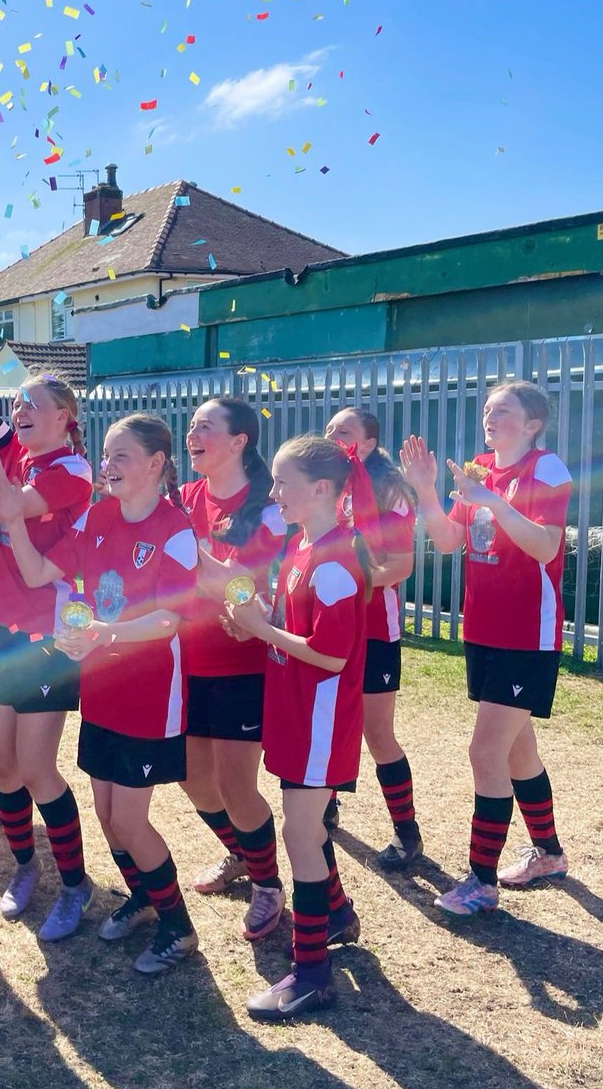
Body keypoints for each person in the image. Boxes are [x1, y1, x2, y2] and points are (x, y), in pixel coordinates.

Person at [0, 414, 202, 973]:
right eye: (107, 453)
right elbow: (39, 575)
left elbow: (168, 621)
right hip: (102, 683)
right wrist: (11, 521)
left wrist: (106, 632)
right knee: (107, 814)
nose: (109, 465)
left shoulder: (175, 527)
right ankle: (145, 897)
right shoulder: (97, 515)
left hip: (150, 691)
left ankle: (179, 928)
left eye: (122, 455)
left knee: (130, 820)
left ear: (156, 464)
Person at [0, 288, 94, 942]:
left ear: (66, 416)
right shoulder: (19, 451)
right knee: (5, 769)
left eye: (33, 404)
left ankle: (74, 883)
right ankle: (24, 867)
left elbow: (7, 508)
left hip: (46, 638)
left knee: (37, 770)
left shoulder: (71, 470)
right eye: (19, 403)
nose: (19, 410)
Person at [399, 381, 571, 915]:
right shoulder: (476, 468)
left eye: (505, 410)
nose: (491, 416)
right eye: (488, 409)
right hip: (484, 630)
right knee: (518, 750)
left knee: (485, 752)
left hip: (527, 633)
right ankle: (548, 853)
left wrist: (493, 500)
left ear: (533, 424)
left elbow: (545, 545)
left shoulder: (546, 469)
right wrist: (427, 490)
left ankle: (482, 881)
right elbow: (450, 541)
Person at [225, 435, 368, 1021]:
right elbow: (297, 632)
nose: (275, 491)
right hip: (297, 711)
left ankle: (311, 974)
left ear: (323, 490)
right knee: (304, 830)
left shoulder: (335, 560)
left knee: (300, 836)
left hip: (321, 718)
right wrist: (258, 623)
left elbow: (331, 658)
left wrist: (263, 631)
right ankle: (335, 915)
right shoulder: (305, 545)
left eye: (284, 483)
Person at [177, 398, 289, 942]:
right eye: (192, 425)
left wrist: (202, 564)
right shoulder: (183, 499)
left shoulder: (267, 507)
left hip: (242, 664)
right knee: (193, 779)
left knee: (235, 784)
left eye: (206, 426)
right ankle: (241, 854)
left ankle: (269, 884)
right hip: (186, 660)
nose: (192, 433)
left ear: (240, 440)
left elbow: (246, 589)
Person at [325, 408, 423, 869]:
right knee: (328, 720)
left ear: (368, 442)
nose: (332, 436)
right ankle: (324, 807)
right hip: (329, 625)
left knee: (377, 732)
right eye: (329, 429)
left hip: (374, 630)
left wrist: (351, 583)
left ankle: (407, 832)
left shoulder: (389, 491)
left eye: (343, 431)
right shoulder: (325, 486)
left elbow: (401, 565)